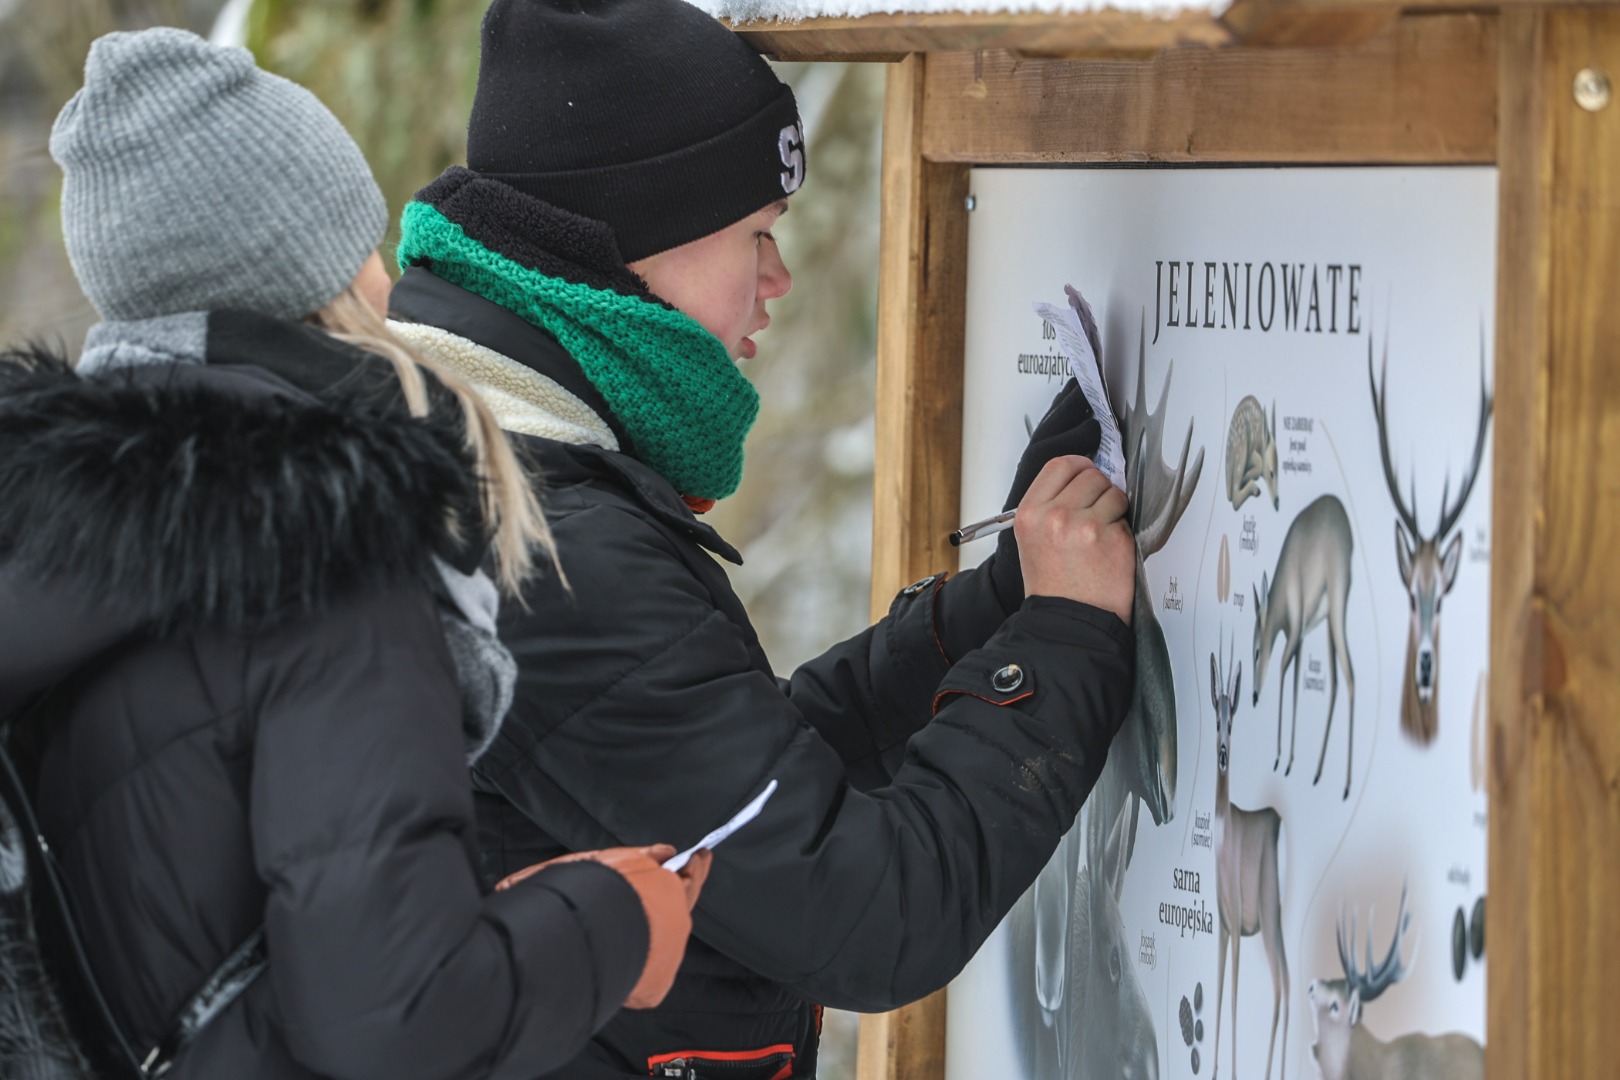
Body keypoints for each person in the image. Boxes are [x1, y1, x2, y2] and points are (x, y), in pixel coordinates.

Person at [387, 1, 1137, 1076]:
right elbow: (864, 912)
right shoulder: (550, 546)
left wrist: (999, 605)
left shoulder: (473, 458)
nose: (777, 281)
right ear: (646, 246)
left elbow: (728, 779)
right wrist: (1062, 640)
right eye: (757, 233)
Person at [0, 28, 710, 1080]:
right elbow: (397, 1018)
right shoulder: (320, 548)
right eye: (363, 244)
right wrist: (612, 920)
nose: (389, 281)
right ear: (321, 274)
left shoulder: (59, 541)